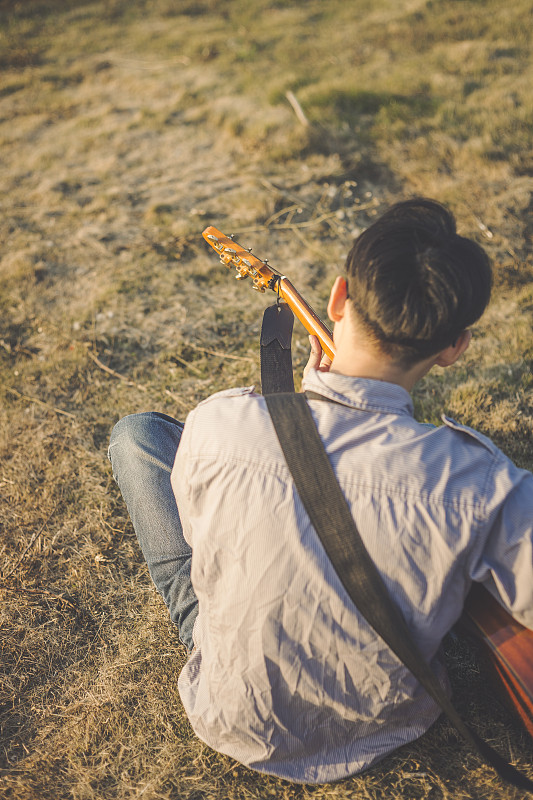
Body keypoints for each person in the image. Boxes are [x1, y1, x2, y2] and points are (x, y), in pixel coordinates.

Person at [108, 198, 533, 785]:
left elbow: (207, 535)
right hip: (380, 722)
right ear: (454, 349)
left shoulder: (216, 424)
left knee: (137, 437)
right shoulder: (478, 486)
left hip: (228, 705)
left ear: (338, 298)